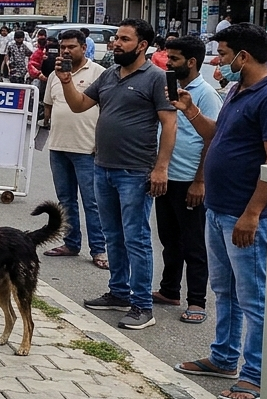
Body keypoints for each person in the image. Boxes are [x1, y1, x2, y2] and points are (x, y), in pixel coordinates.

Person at [172, 23, 267, 399]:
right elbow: (217, 136)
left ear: (243, 56)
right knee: (224, 290)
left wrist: (253, 213)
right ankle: (224, 356)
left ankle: (254, 375)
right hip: (218, 209)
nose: (218, 61)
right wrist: (192, 112)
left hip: (244, 215)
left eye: (224, 54)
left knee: (253, 297)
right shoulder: (237, 89)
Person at [57, 18, 177, 331]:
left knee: (136, 238)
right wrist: (67, 80)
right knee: (113, 235)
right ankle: (119, 292)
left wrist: (161, 167)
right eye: (117, 39)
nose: (116, 44)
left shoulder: (155, 78)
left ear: (142, 45)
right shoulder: (110, 75)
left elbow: (169, 124)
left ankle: (142, 306)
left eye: (124, 39)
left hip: (136, 172)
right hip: (103, 167)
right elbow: (80, 105)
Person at [152, 35, 220, 326]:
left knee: (193, 244)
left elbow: (212, 139)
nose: (168, 63)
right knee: (169, 239)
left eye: (175, 59)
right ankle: (169, 290)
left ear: (191, 62)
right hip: (167, 176)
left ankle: (197, 301)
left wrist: (200, 182)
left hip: (189, 180)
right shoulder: (173, 90)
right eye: (168, 57)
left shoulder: (205, 94)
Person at [42, 29, 107, 269]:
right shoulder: (54, 75)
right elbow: (48, 106)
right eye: (63, 48)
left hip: (87, 149)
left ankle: (99, 250)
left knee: (92, 202)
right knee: (65, 200)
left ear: (83, 48)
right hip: (58, 147)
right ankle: (70, 243)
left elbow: (106, 111)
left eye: (72, 47)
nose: (67, 51)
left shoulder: (99, 73)